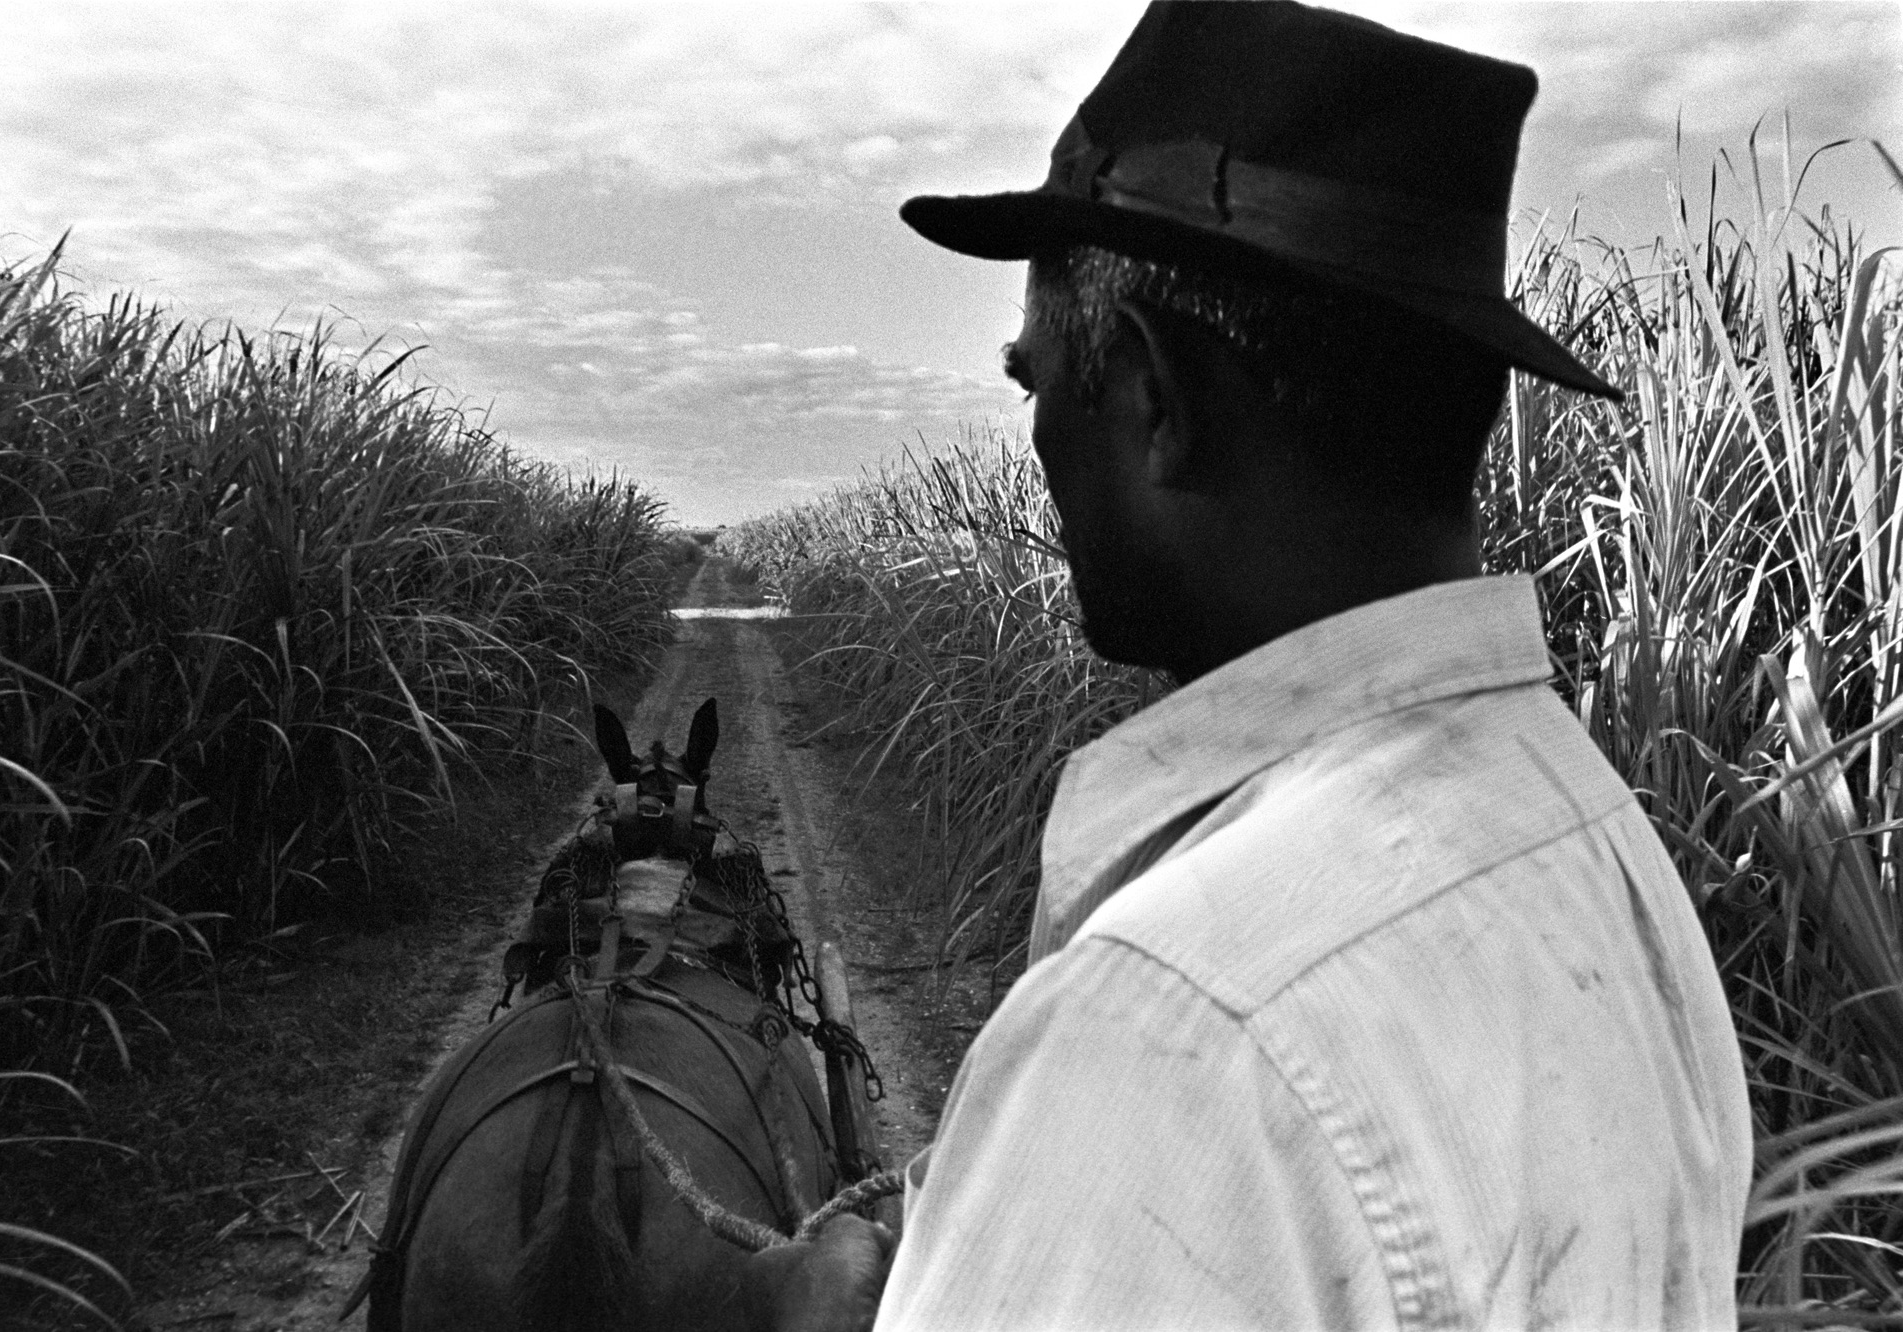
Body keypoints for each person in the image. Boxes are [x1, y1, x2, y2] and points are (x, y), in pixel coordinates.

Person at [745, 3, 1752, 1328]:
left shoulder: (1169, 1027)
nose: (1040, 438)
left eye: (1041, 378)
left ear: (1154, 396)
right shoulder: (1599, 850)